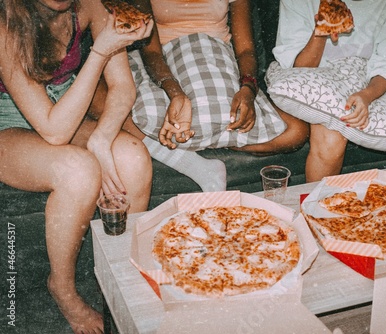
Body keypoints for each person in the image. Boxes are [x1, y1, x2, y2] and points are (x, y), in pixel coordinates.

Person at [0, 0, 154, 332]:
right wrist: (99, 53)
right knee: (77, 169)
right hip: (8, 125)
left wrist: (103, 137)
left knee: (132, 157)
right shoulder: (4, 18)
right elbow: (55, 132)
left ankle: (124, 273)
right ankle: (64, 290)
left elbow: (123, 86)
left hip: (65, 111)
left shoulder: (90, 5)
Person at [115, 0, 309, 192]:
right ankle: (196, 158)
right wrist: (176, 94)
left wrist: (248, 88)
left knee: (296, 132)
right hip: (165, 65)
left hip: (215, 55)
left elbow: (246, 49)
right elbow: (152, 53)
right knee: (116, 112)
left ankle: (207, 141)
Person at [269, 0, 386, 182]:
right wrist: (321, 31)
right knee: (331, 142)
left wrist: (367, 95)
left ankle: (372, 197)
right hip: (318, 77)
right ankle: (316, 208)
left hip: (368, 79)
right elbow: (298, 69)